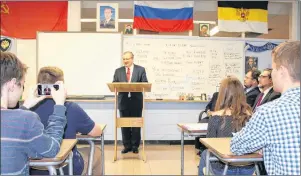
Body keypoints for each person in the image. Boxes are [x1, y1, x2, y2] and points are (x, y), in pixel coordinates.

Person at [231, 41, 300, 175]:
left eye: (273, 68)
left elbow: (236, 146)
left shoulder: (269, 112)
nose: (272, 74)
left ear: (282, 72)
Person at [1, 52, 67, 175]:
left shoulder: (22, 118)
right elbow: (51, 149)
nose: (22, 90)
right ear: (12, 84)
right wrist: (59, 106)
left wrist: (25, 106)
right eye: (23, 84)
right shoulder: (26, 119)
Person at [30, 66, 103, 175]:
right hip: (66, 168)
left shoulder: (27, 110)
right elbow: (96, 132)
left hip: (34, 170)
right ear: (60, 85)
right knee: (97, 152)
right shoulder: (70, 108)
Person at [198, 76, 254, 175]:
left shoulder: (216, 117)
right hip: (248, 167)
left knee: (205, 153)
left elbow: (210, 145)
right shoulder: (251, 115)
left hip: (223, 168)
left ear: (222, 94)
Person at [113, 51, 148, 154]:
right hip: (123, 101)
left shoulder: (140, 70)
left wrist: (135, 86)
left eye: (127, 59)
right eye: (124, 59)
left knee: (136, 125)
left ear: (132, 59)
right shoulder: (118, 71)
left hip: (136, 101)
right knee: (124, 125)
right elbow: (114, 83)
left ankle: (135, 146)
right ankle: (126, 146)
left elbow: (145, 83)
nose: (125, 61)